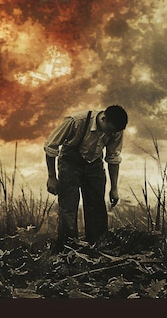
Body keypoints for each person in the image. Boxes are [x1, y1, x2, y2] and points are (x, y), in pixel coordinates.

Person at [44, 105, 128, 248]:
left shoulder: (116, 131)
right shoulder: (76, 121)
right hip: (70, 163)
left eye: (115, 131)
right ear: (104, 119)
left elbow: (113, 158)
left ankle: (98, 246)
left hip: (94, 164)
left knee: (97, 206)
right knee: (69, 205)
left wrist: (114, 188)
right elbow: (51, 147)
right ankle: (68, 247)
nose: (112, 134)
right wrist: (52, 177)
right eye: (110, 130)